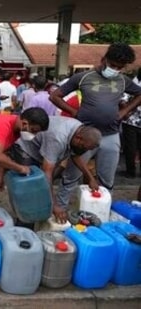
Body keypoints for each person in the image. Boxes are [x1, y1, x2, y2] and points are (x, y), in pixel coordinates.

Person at [50, 43, 141, 209]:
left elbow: (139, 94)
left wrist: (124, 112)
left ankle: (101, 211)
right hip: (84, 136)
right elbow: (55, 96)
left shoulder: (123, 80)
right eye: (113, 65)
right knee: (71, 176)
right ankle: (60, 210)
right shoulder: (83, 77)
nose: (115, 69)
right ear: (104, 59)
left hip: (110, 135)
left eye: (120, 67)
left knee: (107, 179)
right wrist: (74, 113)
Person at [10, 116, 102, 223]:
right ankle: (24, 222)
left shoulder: (78, 130)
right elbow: (47, 173)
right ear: (78, 138)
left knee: (40, 188)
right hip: (26, 148)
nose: (84, 151)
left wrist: (90, 178)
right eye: (84, 147)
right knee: (30, 186)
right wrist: (55, 205)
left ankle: (37, 217)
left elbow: (76, 155)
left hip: (42, 149)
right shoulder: (58, 138)